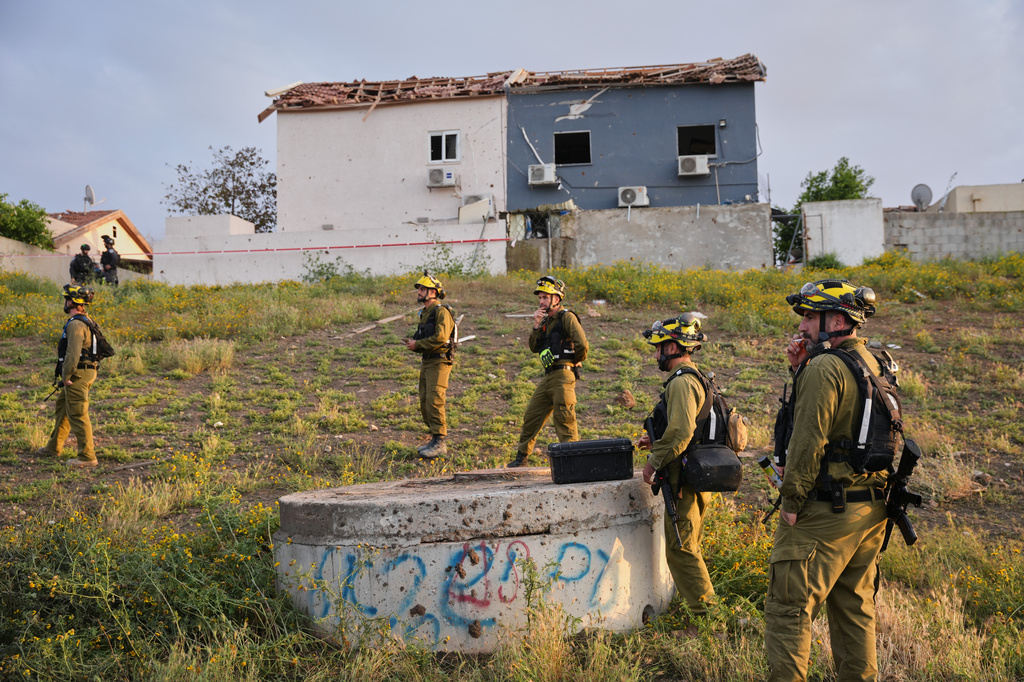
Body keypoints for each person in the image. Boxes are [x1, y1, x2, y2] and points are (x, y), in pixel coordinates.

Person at [765, 279, 888, 682]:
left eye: (809, 316)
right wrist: (800, 369)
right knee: (854, 611)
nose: (801, 326)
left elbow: (807, 442)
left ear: (836, 320)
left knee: (788, 611)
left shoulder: (825, 367)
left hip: (824, 512)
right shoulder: (872, 361)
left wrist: (791, 503)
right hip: (868, 510)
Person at [637, 314, 717, 620]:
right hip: (691, 476)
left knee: (681, 549)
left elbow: (682, 431)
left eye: (660, 348)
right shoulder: (696, 377)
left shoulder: (682, 382)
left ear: (674, 347)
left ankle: (709, 622)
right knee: (689, 546)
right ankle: (708, 613)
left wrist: (653, 462)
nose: (656, 354)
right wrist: (655, 441)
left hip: (681, 480)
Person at [507, 276, 588, 468]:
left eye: (546, 297)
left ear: (557, 298)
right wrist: (536, 325)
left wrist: (575, 361)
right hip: (549, 376)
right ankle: (522, 458)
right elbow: (534, 347)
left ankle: (573, 464)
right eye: (540, 298)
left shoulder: (566, 317)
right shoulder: (545, 321)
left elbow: (582, 344)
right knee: (532, 415)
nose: (542, 301)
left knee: (565, 420)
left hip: (564, 375)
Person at [36, 284, 101, 467]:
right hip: (83, 372)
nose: (65, 302)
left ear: (72, 301)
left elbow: (72, 354)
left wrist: (65, 376)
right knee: (63, 407)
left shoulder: (76, 325)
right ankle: (53, 447)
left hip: (77, 374)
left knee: (78, 414)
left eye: (67, 299)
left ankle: (87, 457)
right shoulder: (86, 320)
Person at [404, 272, 455, 459]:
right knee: (425, 401)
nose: (419, 291)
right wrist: (415, 344)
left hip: (439, 361)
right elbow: (427, 337)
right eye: (419, 288)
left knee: (434, 400)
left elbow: (441, 338)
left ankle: (440, 442)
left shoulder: (441, 311)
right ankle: (435, 438)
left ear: (433, 292)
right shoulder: (426, 313)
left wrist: (418, 344)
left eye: (423, 289)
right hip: (428, 360)